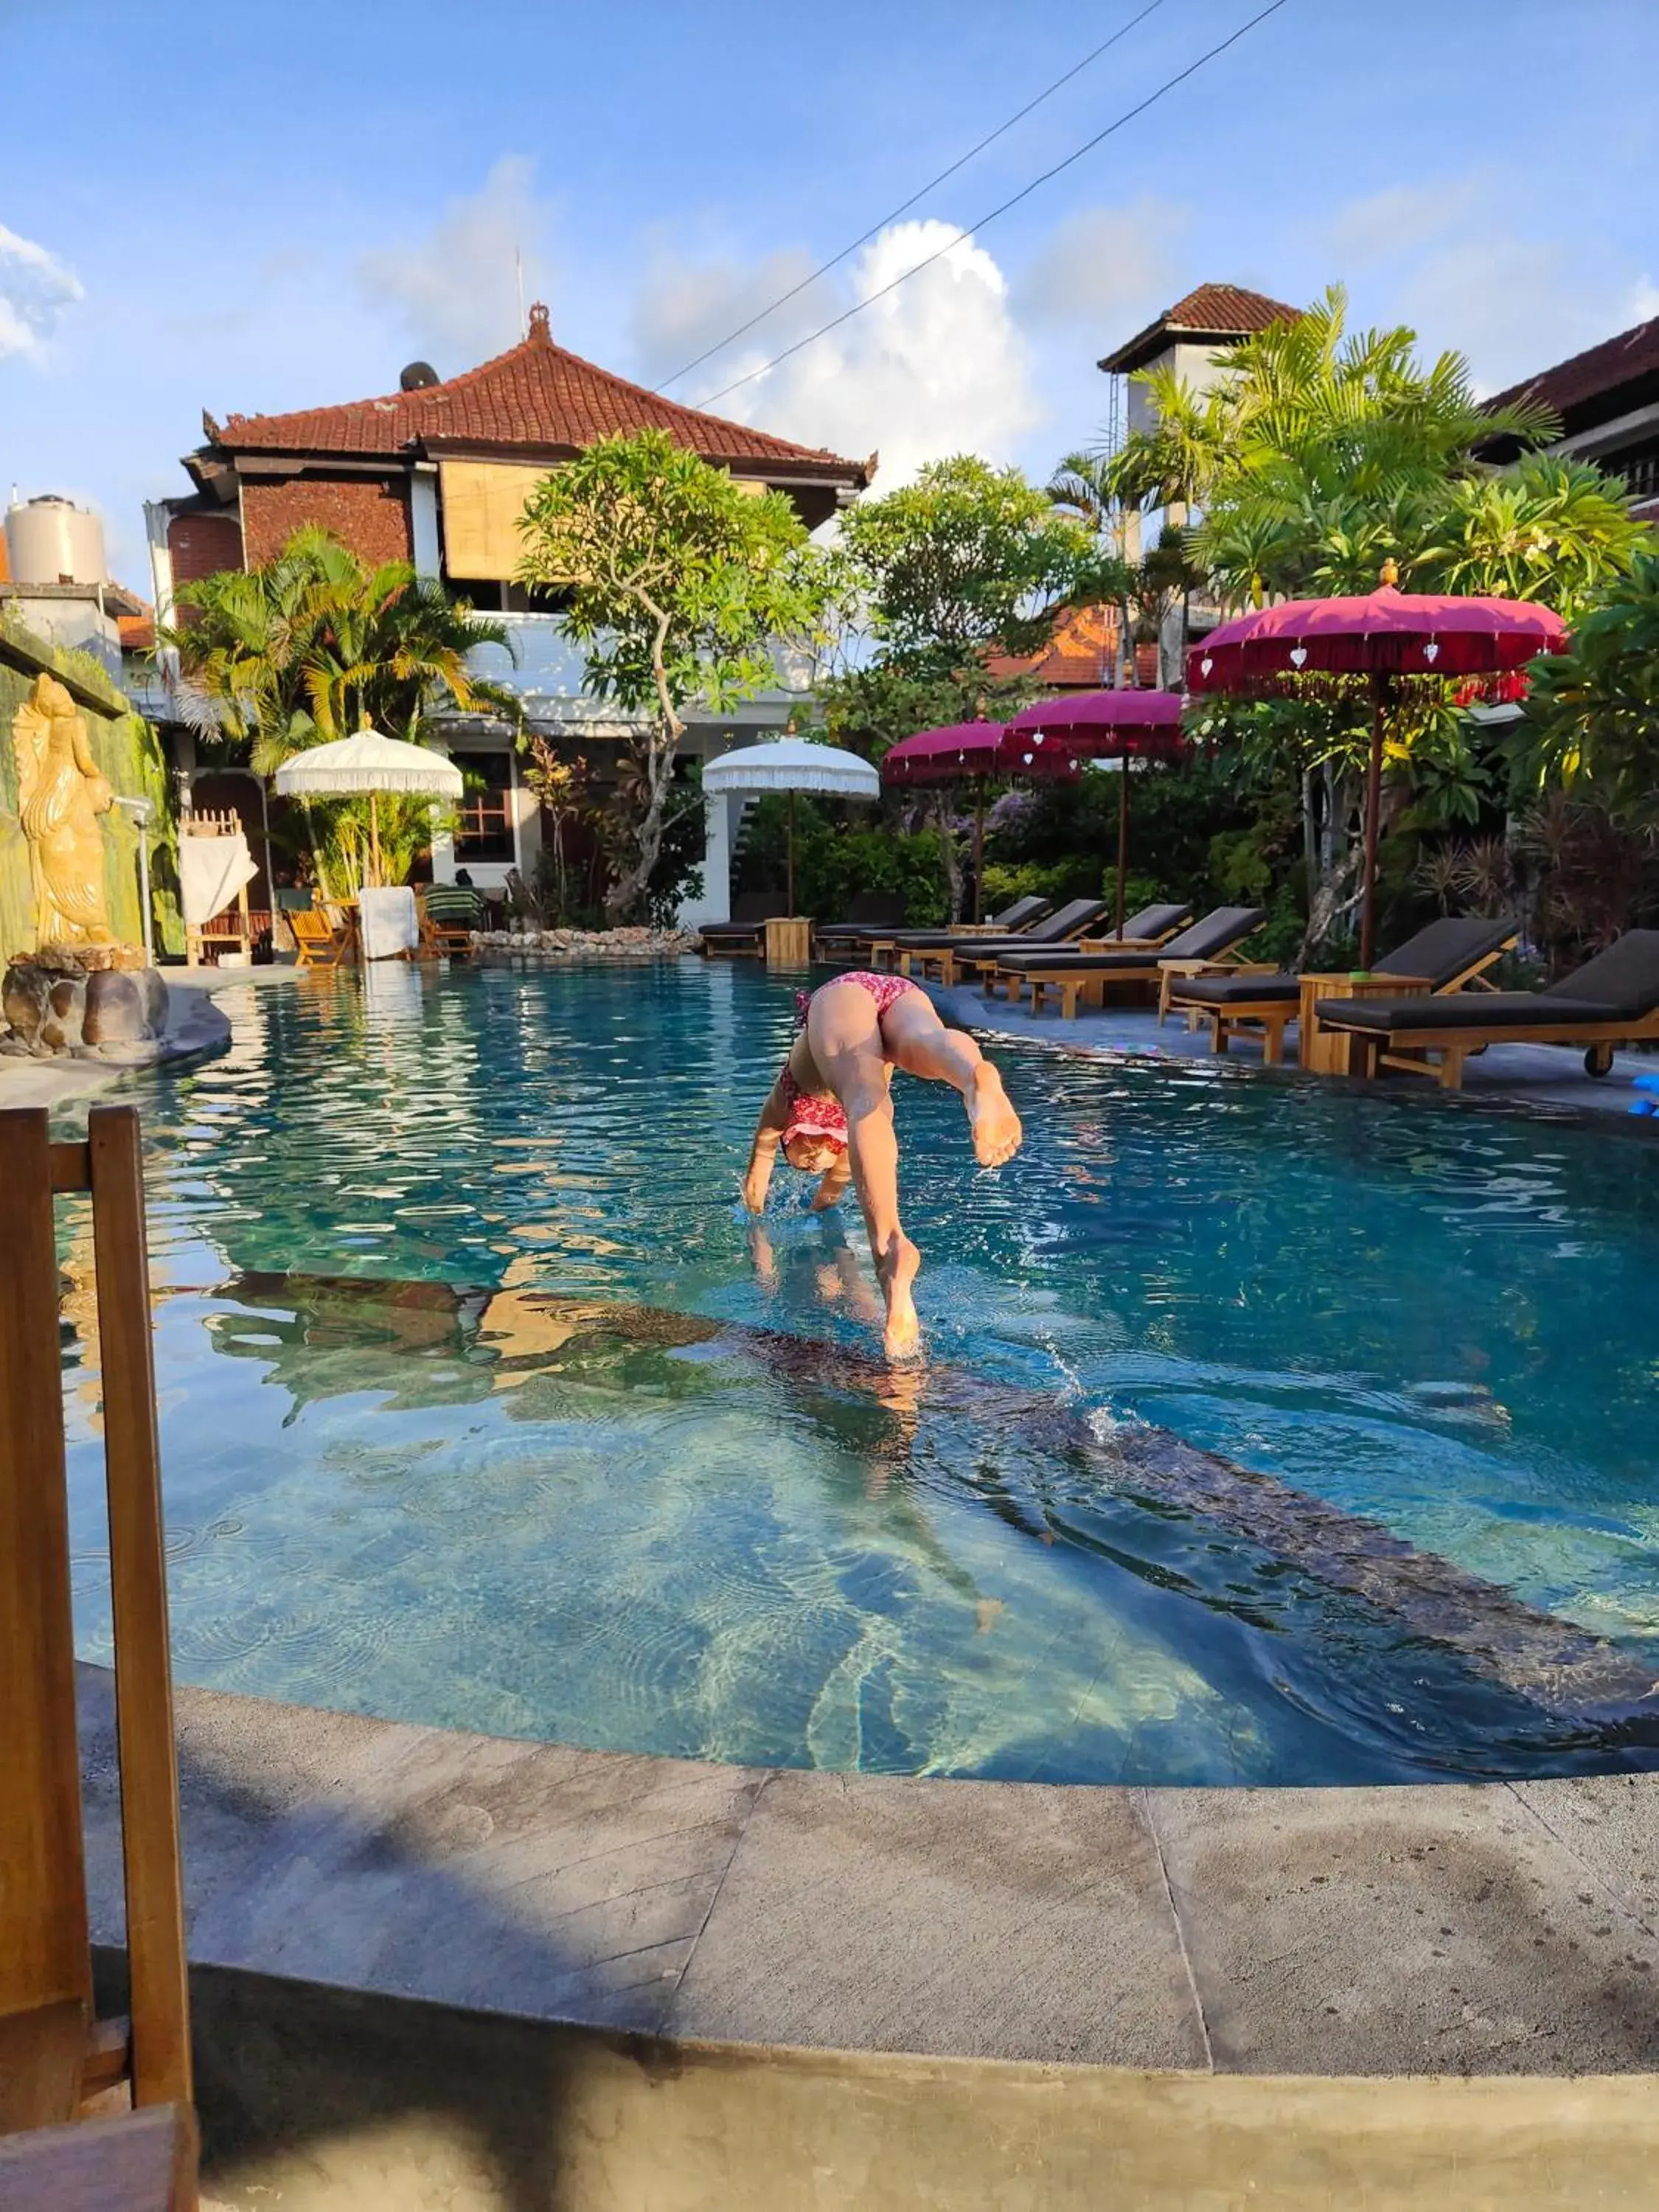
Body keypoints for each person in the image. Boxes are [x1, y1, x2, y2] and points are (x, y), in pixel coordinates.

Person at [741, 970, 1022, 1359]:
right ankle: (972, 1079)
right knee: (922, 1046)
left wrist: (755, 1233)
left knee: (865, 1092)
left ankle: (890, 1248)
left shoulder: (783, 1106)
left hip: (842, 995)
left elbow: (758, 1171)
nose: (807, 1169)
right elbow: (827, 1196)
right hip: (899, 992)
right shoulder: (846, 1148)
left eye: (802, 1165)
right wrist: (813, 1209)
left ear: (791, 1135)